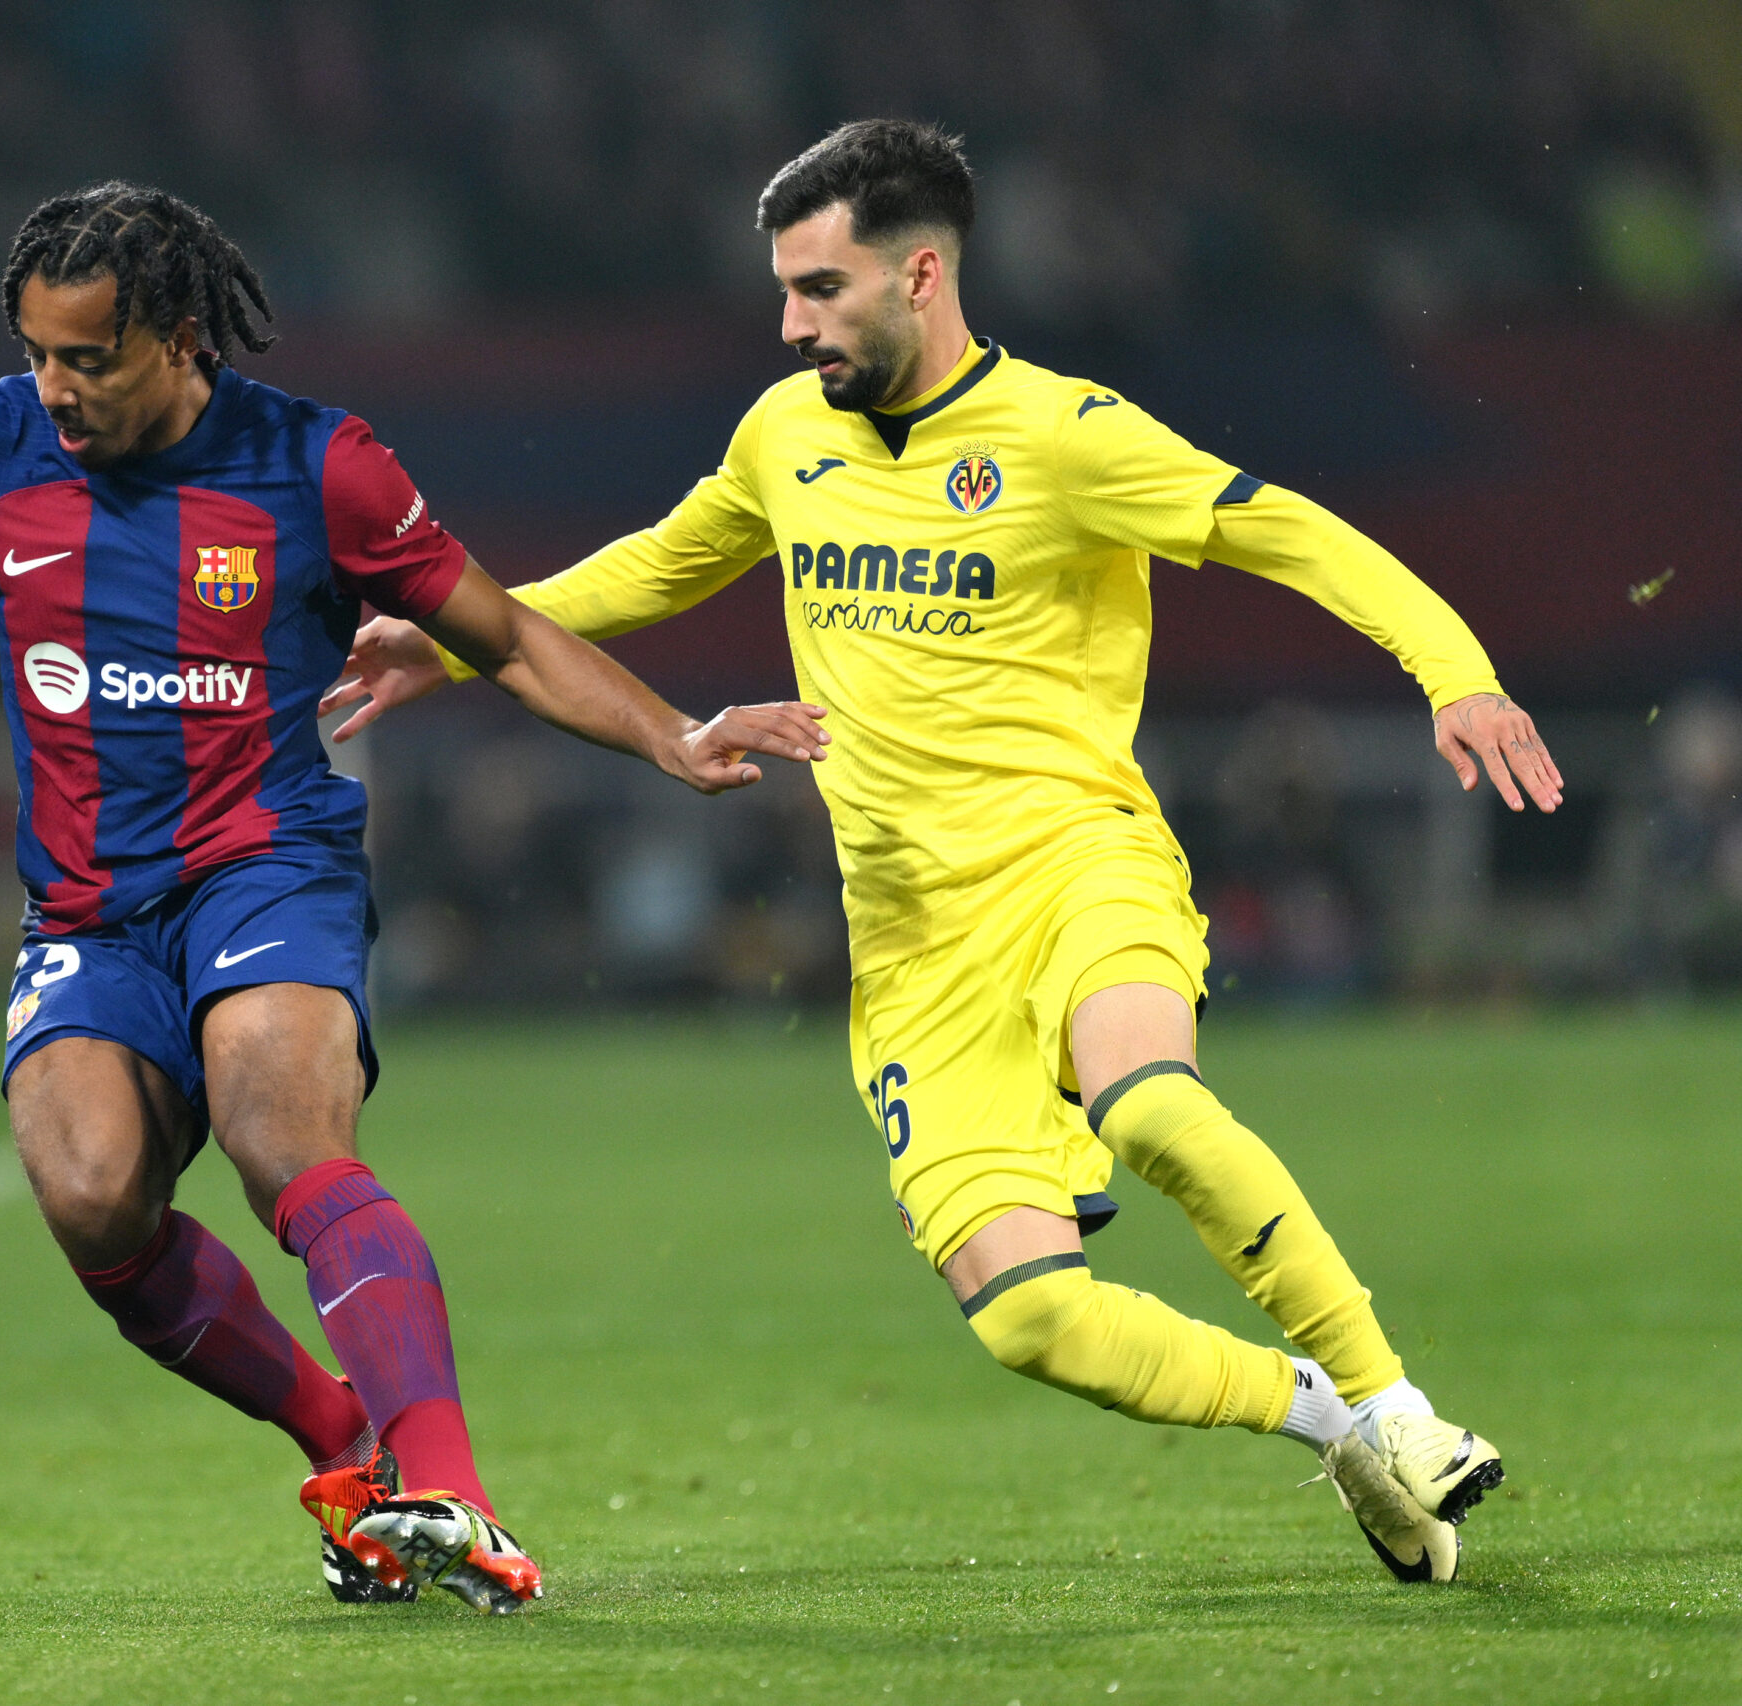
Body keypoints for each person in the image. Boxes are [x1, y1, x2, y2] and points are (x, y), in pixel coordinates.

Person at [325, 121, 1564, 1584]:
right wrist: (455, 642)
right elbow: (661, 561)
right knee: (1031, 1317)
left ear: (920, 274)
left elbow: (1286, 532)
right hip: (913, 941)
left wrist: (1456, 673)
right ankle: (1334, 1428)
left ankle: (1399, 1405)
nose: (792, 325)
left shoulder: (1067, 435)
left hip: (1078, 861)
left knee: (1154, 1107)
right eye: (784, 292)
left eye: (821, 289)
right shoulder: (785, 436)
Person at [0, 181, 825, 1614]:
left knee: (279, 1135)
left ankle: (452, 1490)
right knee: (93, 1197)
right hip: (86, 910)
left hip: (266, 865)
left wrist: (670, 736)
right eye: (38, 354)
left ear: (179, 338)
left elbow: (506, 637)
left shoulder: (316, 465)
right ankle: (347, 1446)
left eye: (90, 359)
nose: (55, 390)